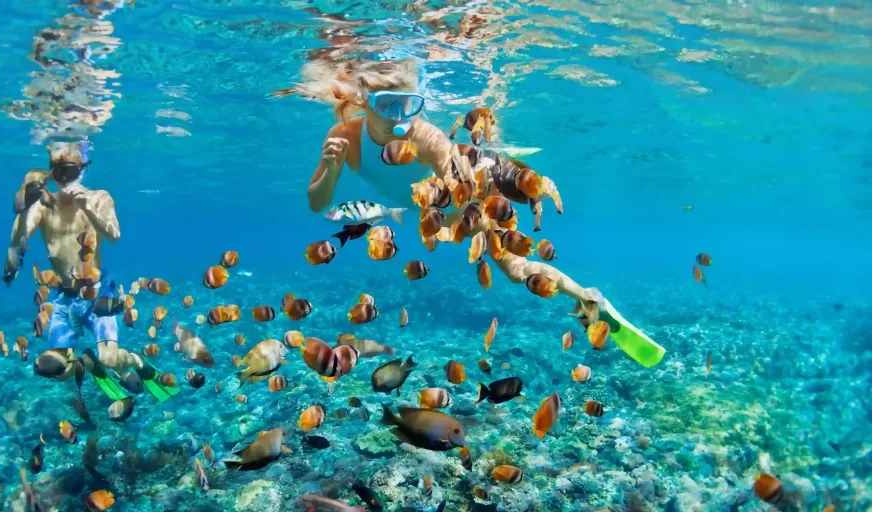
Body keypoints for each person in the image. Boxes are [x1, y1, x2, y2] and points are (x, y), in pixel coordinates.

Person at [282, 57, 664, 367]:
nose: (400, 116)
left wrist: (454, 226)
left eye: (410, 105)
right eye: (387, 105)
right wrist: (331, 170)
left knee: (516, 270)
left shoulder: (426, 136)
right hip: (428, 209)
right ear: (364, 100)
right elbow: (318, 203)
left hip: (465, 194)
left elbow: (460, 190)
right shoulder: (343, 138)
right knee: (510, 267)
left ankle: (589, 297)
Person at [9, 141, 152, 395]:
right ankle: (91, 362)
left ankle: (133, 364)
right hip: (63, 296)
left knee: (109, 358)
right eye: (58, 172)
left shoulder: (99, 197)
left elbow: (115, 234)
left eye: (71, 171)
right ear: (51, 173)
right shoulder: (43, 205)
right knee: (58, 370)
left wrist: (87, 207)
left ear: (83, 169)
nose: (65, 179)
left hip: (96, 293)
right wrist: (24, 207)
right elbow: (18, 239)